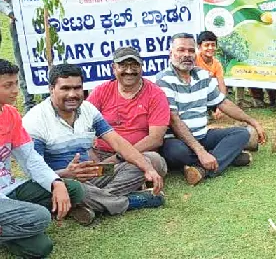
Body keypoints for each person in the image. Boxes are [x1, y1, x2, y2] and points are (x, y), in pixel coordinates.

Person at [23, 64, 165, 224]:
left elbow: (117, 142)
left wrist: (148, 169)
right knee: (77, 189)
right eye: (65, 88)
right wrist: (65, 174)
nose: (72, 94)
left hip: (92, 172)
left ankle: (90, 203)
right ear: (51, 89)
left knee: (152, 159)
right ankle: (129, 201)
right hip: (61, 181)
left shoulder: (87, 109)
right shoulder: (35, 120)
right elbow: (34, 172)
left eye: (77, 88)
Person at [156, 33, 267, 185]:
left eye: (190, 50)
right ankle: (227, 158)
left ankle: (202, 169)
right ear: (171, 53)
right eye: (181, 50)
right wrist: (201, 152)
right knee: (174, 151)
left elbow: (223, 103)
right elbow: (173, 120)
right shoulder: (164, 79)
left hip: (202, 136)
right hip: (179, 140)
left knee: (241, 133)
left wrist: (252, 121)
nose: (187, 55)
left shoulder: (202, 75)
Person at [0, 59, 84, 258]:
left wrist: (56, 183)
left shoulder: (11, 114)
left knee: (73, 189)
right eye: (7, 85)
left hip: (8, 188)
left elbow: (29, 157)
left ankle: (14, 224)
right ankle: (19, 221)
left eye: (16, 83)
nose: (15, 91)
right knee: (40, 220)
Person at [87, 47, 169, 177]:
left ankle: (105, 183)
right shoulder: (101, 91)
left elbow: (156, 139)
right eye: (123, 66)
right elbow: (82, 128)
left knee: (154, 161)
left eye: (134, 65)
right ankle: (115, 185)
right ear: (113, 68)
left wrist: (120, 156)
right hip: (102, 154)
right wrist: (94, 159)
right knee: (78, 160)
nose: (129, 71)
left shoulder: (156, 94)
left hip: (140, 154)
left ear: (142, 67)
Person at [195, 31, 227, 119]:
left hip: (207, 95)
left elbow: (221, 84)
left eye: (213, 45)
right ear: (199, 47)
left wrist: (221, 105)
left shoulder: (217, 63)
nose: (210, 48)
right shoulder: (194, 59)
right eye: (206, 45)